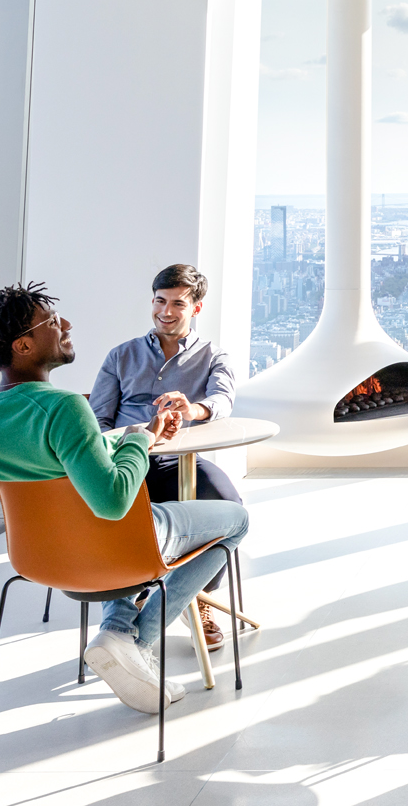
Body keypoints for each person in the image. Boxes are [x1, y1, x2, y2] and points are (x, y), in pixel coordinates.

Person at [0, 284, 249, 714]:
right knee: (236, 520)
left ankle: (119, 632)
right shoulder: (64, 407)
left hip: (41, 558)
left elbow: (26, 486)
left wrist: (141, 438)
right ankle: (135, 643)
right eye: (52, 322)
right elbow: (113, 503)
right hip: (116, 549)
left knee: (128, 521)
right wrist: (136, 441)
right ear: (23, 345)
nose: (66, 325)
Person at [90, 263, 240, 652]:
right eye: (159, 301)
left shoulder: (213, 355)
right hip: (127, 457)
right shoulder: (121, 355)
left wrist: (195, 410)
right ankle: (132, 598)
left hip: (179, 459)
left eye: (178, 303)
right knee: (117, 511)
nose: (166, 311)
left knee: (229, 505)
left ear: (197, 308)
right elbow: (99, 420)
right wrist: (130, 441)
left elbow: (222, 400)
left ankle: (200, 598)